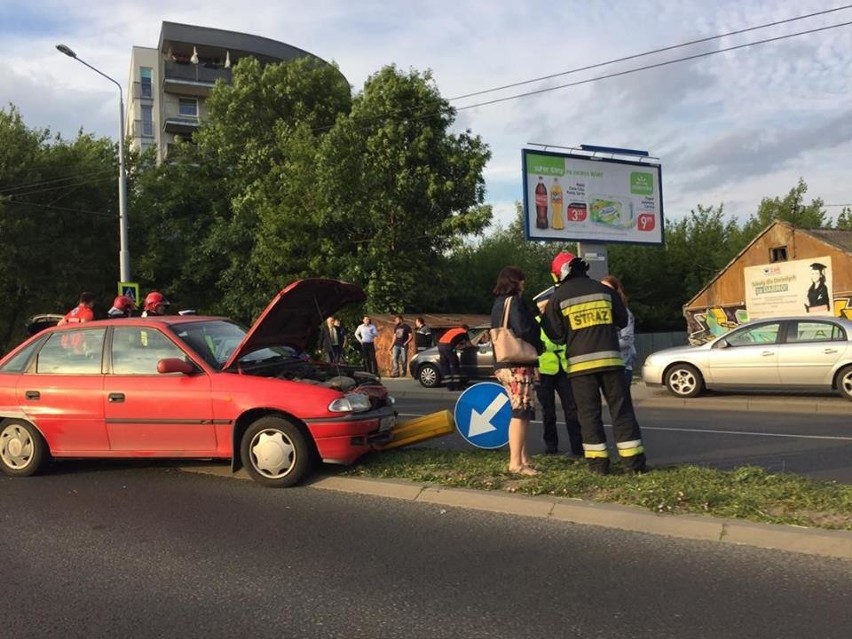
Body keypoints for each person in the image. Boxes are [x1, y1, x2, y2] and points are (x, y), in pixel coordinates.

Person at [542, 252, 647, 475]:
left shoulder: (557, 299)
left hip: (580, 368)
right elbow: (622, 320)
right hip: (612, 361)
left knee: (588, 415)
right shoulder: (605, 291)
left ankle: (599, 466)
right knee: (622, 412)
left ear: (560, 272)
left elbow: (554, 335)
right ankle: (634, 464)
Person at [490, 266, 543, 476]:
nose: (524, 283)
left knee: (523, 410)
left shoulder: (498, 303)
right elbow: (523, 329)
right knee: (521, 412)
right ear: (515, 282)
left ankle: (522, 459)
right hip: (517, 364)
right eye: (522, 280)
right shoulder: (515, 302)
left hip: (503, 363)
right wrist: (539, 344)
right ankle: (516, 463)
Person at [532, 286, 583, 457]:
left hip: (564, 368)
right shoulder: (535, 324)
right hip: (544, 370)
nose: (544, 310)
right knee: (548, 411)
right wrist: (534, 368)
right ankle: (551, 447)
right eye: (541, 308)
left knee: (572, 409)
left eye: (546, 307)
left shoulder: (564, 321)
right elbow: (532, 348)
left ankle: (577, 448)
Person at [601, 275, 637, 389]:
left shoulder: (624, 313)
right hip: (604, 367)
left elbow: (627, 341)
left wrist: (603, 344)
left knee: (622, 405)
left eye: (608, 288)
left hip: (622, 367)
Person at [437, 324, 470, 391]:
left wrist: (455, 346)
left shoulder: (453, 330)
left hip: (440, 345)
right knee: (454, 364)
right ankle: (458, 386)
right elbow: (468, 344)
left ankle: (449, 386)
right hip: (448, 346)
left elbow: (453, 339)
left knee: (445, 366)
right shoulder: (464, 332)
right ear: (466, 329)